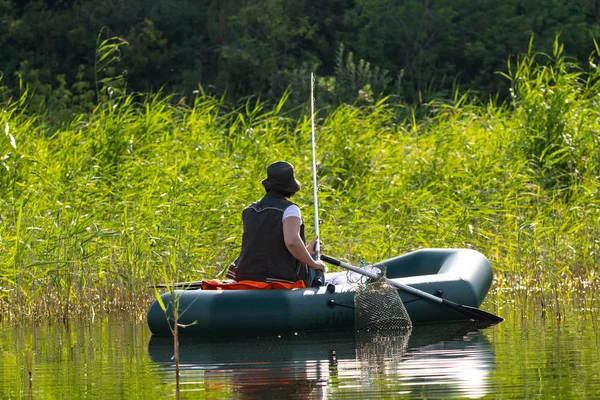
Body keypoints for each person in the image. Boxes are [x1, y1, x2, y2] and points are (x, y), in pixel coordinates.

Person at [226, 161, 326, 287]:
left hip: (245, 277)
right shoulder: (290, 210)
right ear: (291, 188)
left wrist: (307, 252)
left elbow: (268, 248)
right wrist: (313, 264)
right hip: (276, 282)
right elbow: (291, 242)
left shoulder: (249, 210)